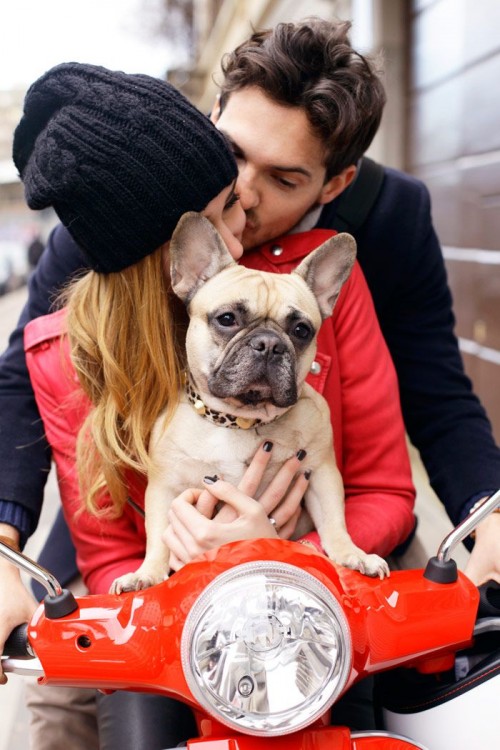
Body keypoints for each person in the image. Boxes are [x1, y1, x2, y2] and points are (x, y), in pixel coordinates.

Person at [0, 5, 499, 730]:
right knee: (53, 709)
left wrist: (487, 513)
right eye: (231, 154)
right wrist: (5, 540)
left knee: (441, 676)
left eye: (284, 177)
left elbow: (437, 390)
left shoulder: (385, 223)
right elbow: (29, 372)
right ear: (212, 116)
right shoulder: (140, 202)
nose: (245, 192)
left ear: (336, 183)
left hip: (331, 505)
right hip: (138, 509)